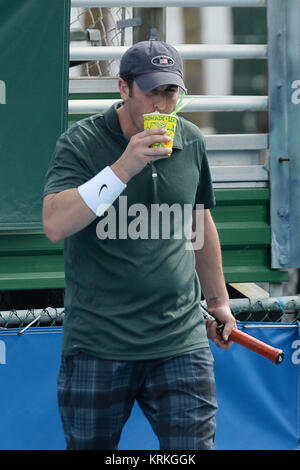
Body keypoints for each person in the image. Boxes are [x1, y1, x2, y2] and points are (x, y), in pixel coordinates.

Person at [43, 40, 236, 450]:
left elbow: (199, 220)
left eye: (171, 91)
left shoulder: (191, 141)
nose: (162, 104)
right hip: (99, 343)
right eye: (151, 90)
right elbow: (56, 223)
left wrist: (219, 301)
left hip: (180, 340)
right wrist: (124, 167)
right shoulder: (81, 142)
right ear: (123, 88)